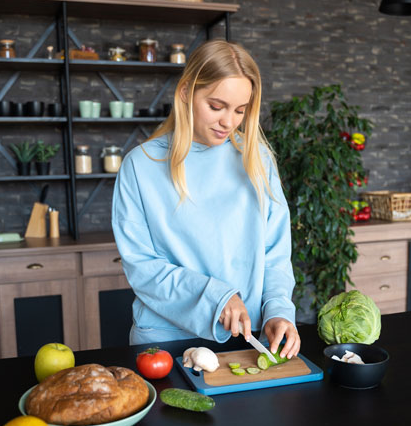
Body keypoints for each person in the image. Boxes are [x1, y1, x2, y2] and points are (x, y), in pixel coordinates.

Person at [111, 39, 300, 359]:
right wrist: (216, 298)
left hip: (247, 336)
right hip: (165, 340)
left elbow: (275, 253)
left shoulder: (257, 159)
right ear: (186, 92)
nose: (229, 121)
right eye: (216, 106)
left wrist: (279, 311)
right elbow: (142, 267)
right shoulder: (140, 166)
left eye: (240, 110)